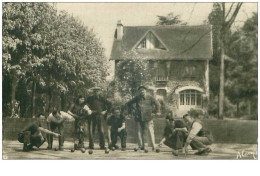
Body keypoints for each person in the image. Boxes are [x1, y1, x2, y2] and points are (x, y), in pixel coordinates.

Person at [126, 85, 160, 152]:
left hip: (148, 117)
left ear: (146, 91)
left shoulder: (150, 97)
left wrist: (155, 112)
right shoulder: (137, 98)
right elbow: (128, 103)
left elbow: (158, 104)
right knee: (139, 131)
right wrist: (131, 112)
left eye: (143, 90)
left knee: (150, 131)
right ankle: (141, 146)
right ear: (139, 92)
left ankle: (153, 146)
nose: (142, 92)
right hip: (139, 117)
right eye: (140, 91)